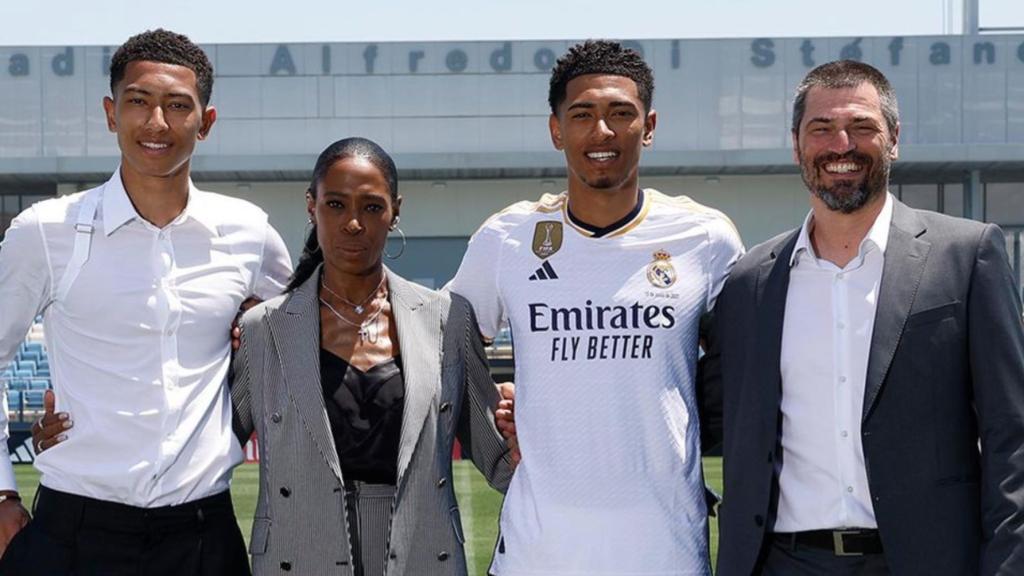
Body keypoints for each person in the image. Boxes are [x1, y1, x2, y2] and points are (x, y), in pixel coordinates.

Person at [704, 60, 1024, 575]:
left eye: (862, 127)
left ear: (894, 139)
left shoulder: (966, 256)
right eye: (822, 129)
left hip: (927, 562)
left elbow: (1014, 437)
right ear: (796, 145)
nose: (841, 146)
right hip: (782, 563)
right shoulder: (750, 283)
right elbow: (707, 413)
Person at [0, 29, 292, 575]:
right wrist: (1, 494)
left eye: (178, 106)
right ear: (111, 113)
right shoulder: (46, 231)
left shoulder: (249, 233)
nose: (156, 123)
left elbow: (311, 333)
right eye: (138, 102)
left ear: (205, 123)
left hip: (203, 536)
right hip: (73, 534)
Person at [449, 40, 742, 575]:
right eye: (582, 115)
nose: (601, 132)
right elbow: (442, 342)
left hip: (666, 550)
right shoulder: (509, 237)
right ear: (556, 129)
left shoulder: (705, 236)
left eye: (620, 114)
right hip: (539, 554)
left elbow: (745, 364)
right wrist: (492, 425)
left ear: (649, 126)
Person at [228, 137, 513, 575]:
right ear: (312, 206)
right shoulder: (263, 329)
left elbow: (499, 459)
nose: (354, 224)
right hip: (298, 555)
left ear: (395, 210)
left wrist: (529, 423)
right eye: (336, 205)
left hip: (421, 556)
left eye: (372, 207)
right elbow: (209, 449)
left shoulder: (446, 320)